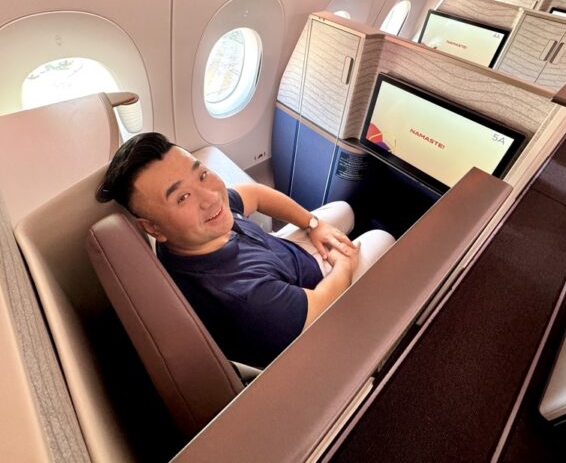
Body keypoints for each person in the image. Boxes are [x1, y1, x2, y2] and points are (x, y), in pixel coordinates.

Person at [97, 132, 395, 367]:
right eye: (182, 196)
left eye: (201, 174)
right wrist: (344, 266)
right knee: (381, 238)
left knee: (344, 210)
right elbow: (318, 307)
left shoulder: (195, 231)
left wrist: (313, 223)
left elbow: (253, 194)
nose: (211, 197)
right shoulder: (244, 296)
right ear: (153, 229)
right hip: (309, 294)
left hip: (282, 256)